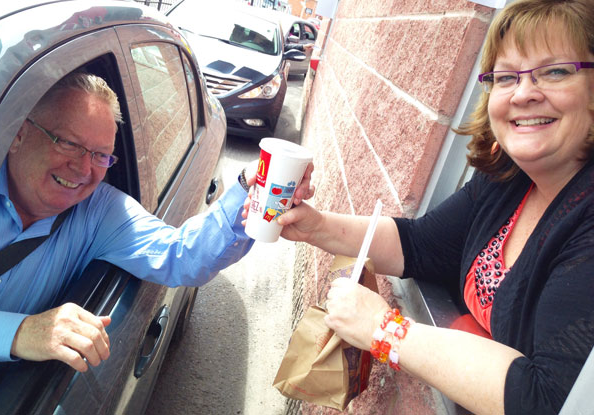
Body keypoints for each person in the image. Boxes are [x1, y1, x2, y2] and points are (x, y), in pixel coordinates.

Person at [246, 0, 594, 413]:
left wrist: (383, 330)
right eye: (505, 77)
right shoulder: (509, 178)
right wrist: (312, 226)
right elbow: (421, 245)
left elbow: (547, 399)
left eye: (555, 71)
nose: (523, 94)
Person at [0, 71, 314, 372]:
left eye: (101, 155)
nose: (83, 169)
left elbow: (182, 256)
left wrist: (251, 184)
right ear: (20, 134)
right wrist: (21, 332)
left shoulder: (100, 212)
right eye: (69, 144)